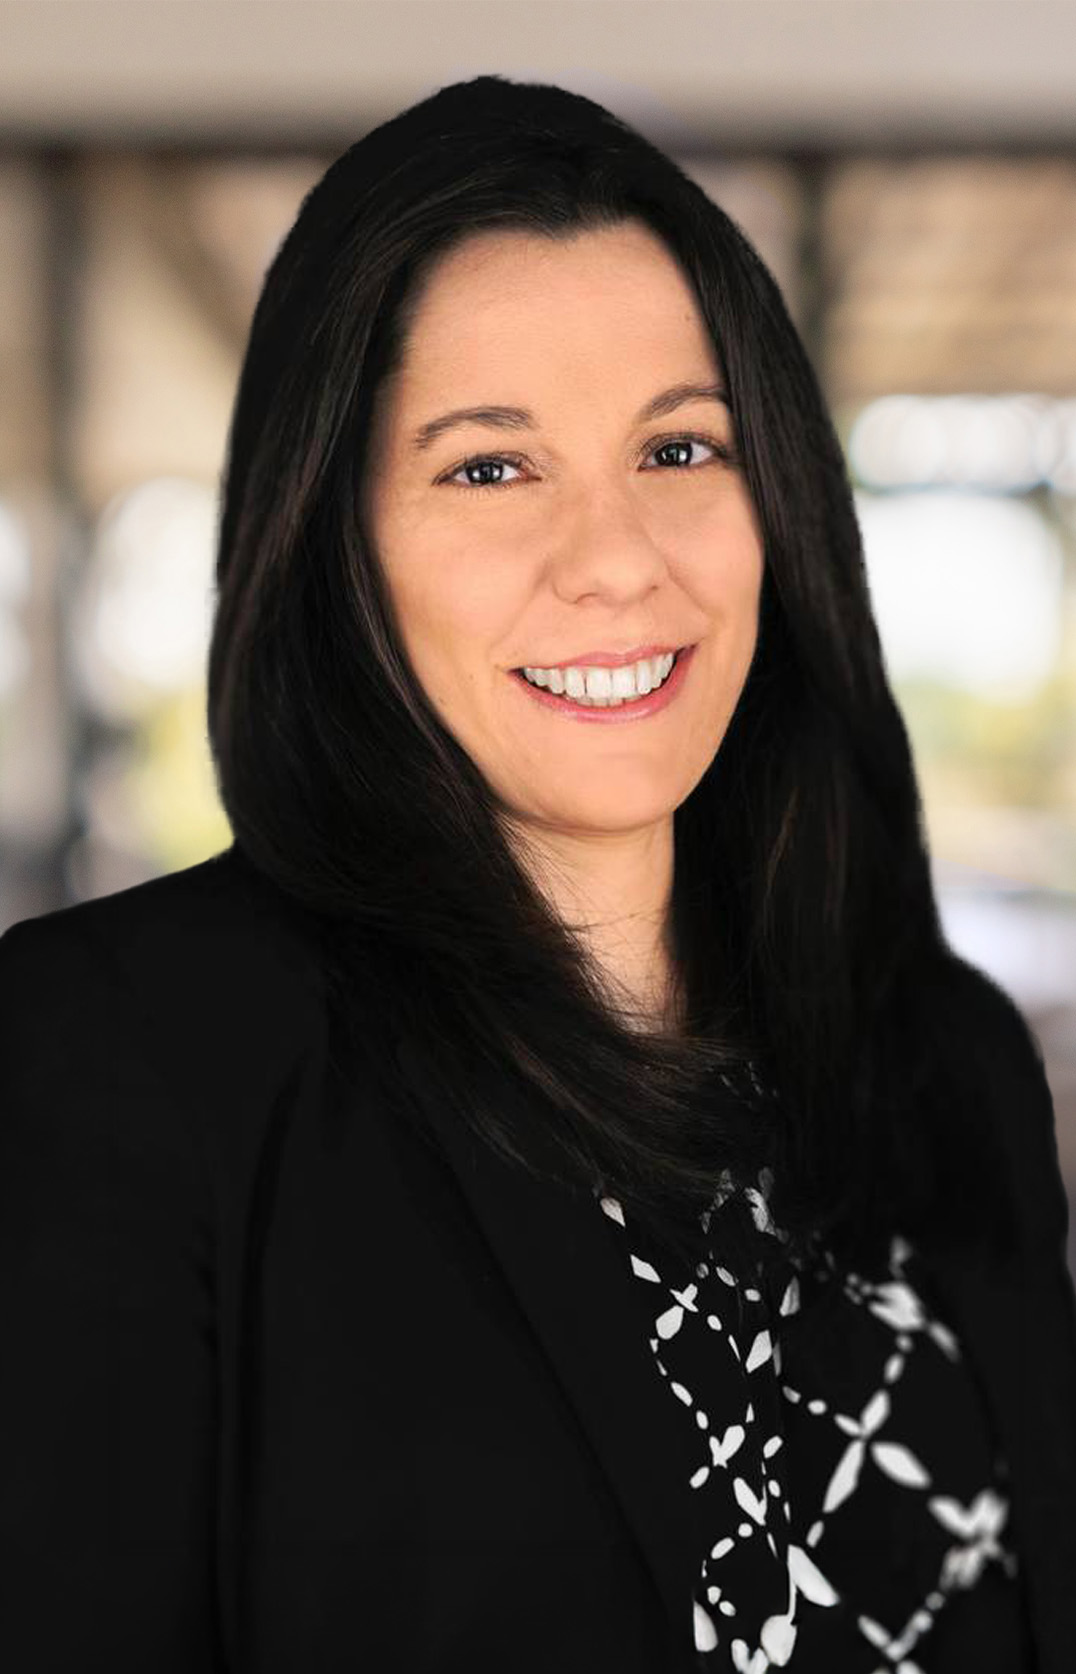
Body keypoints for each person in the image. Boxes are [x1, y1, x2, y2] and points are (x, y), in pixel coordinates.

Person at [1, 74, 1074, 1674]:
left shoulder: (950, 1061)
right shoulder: (124, 1062)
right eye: (490, 467)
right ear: (336, 540)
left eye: (680, 446)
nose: (617, 558)